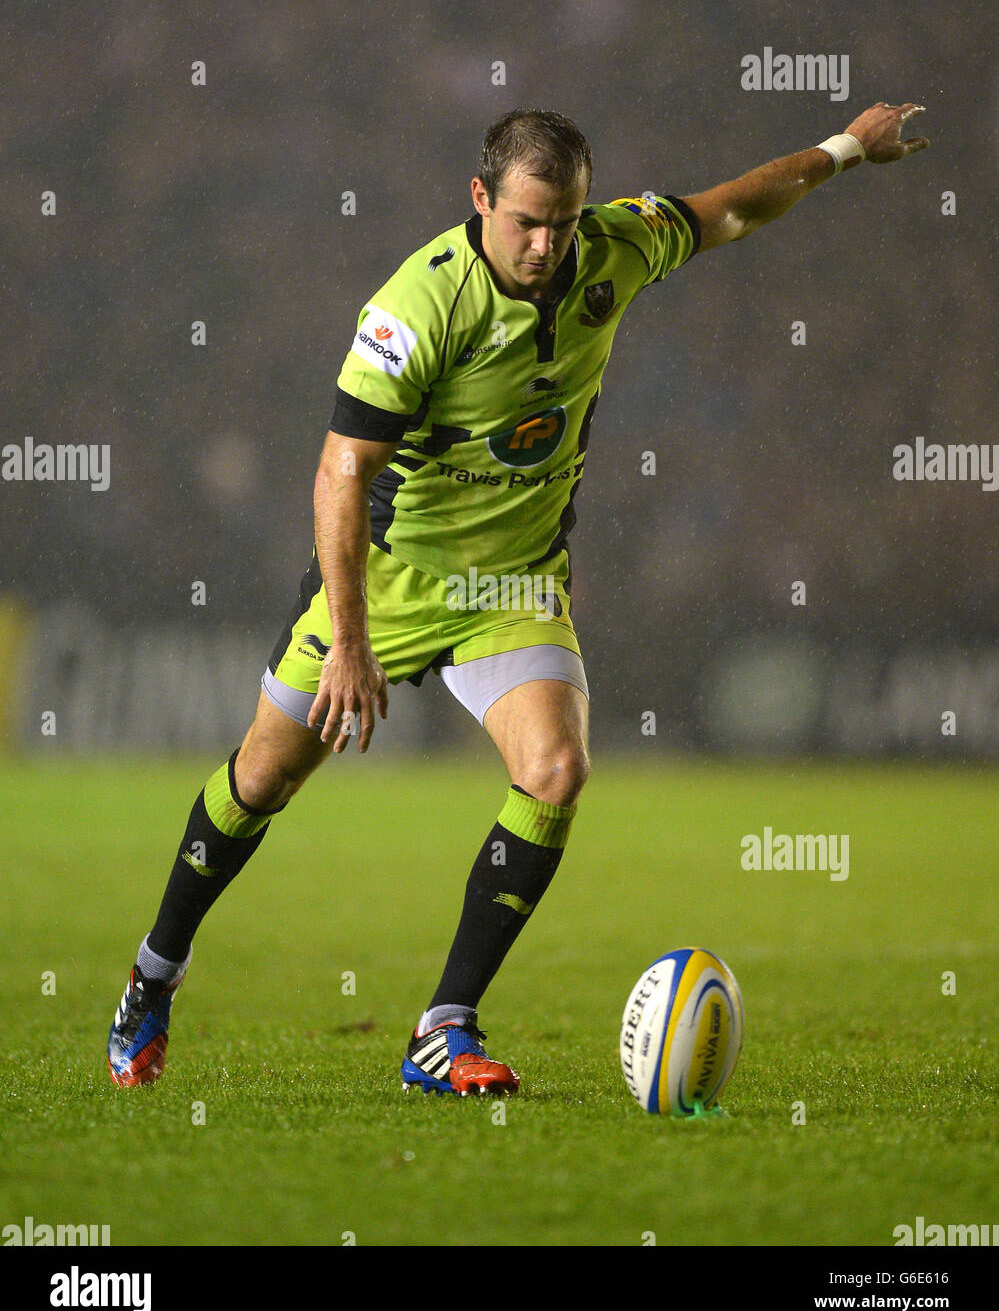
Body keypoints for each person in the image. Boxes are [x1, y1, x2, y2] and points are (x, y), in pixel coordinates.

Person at [107, 102, 928, 1095]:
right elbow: (338, 473)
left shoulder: (616, 248)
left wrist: (843, 150)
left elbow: (734, 210)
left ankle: (442, 1027)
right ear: (480, 199)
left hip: (514, 584)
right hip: (389, 577)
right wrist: (354, 646)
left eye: (566, 222)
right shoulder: (417, 308)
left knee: (557, 767)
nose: (548, 245)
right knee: (263, 779)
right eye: (528, 222)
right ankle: (153, 976)